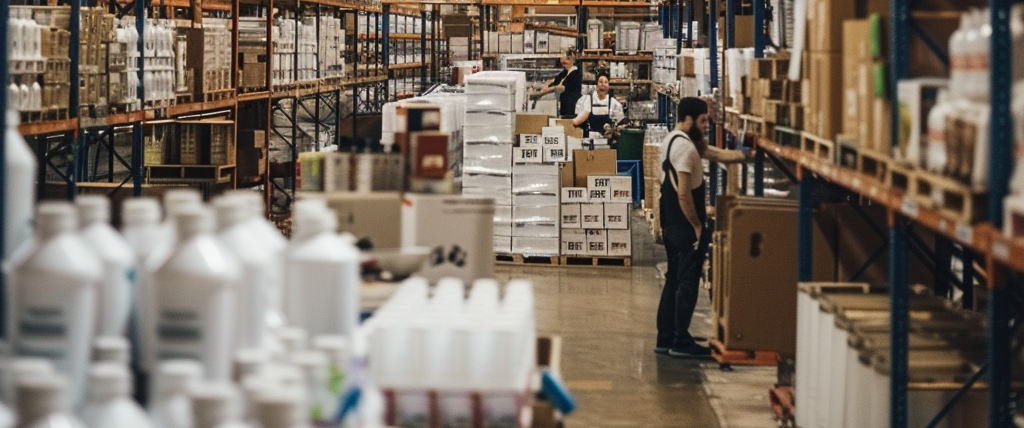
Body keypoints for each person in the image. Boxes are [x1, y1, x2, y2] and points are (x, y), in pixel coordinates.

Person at [654, 97, 746, 358]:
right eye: (704, 120)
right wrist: (697, 225)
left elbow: (707, 152)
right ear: (690, 119)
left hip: (670, 221)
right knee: (687, 282)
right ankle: (681, 341)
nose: (707, 125)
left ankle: (666, 337)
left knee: (673, 279)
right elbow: (684, 194)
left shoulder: (672, 140)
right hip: (685, 226)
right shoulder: (686, 150)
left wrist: (737, 157)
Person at [530, 49, 582, 118]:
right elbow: (554, 81)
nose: (563, 65)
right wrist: (539, 86)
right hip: (563, 105)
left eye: (565, 63)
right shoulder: (565, 72)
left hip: (570, 106)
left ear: (571, 60)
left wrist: (541, 92)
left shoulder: (575, 74)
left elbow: (560, 88)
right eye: (562, 63)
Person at [572, 72, 624, 138]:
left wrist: (613, 129)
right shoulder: (586, 100)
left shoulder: (614, 103)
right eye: (600, 82)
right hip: (589, 140)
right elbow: (576, 122)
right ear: (596, 86)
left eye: (606, 82)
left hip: (607, 141)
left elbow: (621, 123)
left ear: (608, 86)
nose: (603, 84)